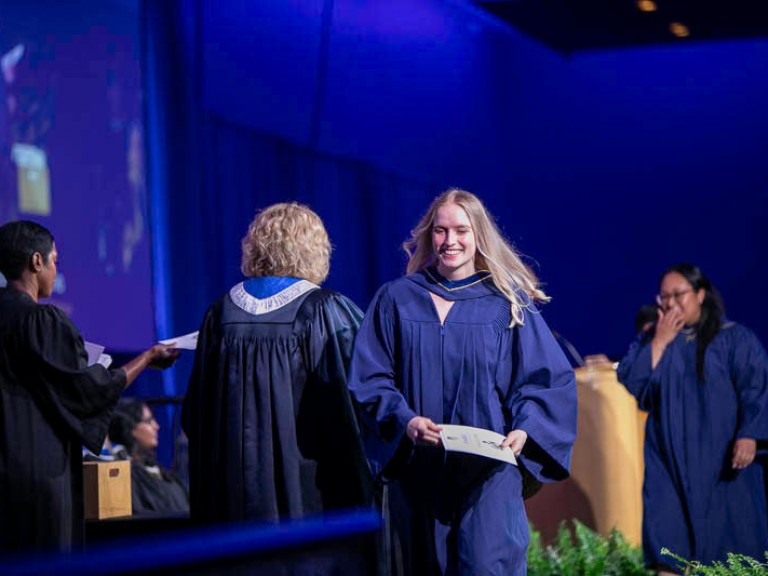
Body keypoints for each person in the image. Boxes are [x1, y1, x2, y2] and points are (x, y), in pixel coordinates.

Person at [348, 188, 578, 576]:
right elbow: (370, 379)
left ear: (478, 236)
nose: (449, 241)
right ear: (429, 234)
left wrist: (526, 428)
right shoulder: (396, 299)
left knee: (487, 565)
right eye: (440, 231)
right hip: (418, 471)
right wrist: (405, 419)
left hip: (489, 472)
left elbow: (544, 382)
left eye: (461, 230)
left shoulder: (506, 303)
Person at [182, 203, 372, 547]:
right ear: (315, 249)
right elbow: (354, 408)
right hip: (307, 498)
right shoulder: (324, 310)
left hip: (231, 502)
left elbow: (195, 416)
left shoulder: (220, 312)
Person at [0, 220, 179, 554]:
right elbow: (90, 390)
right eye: (55, 260)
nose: (56, 269)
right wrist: (149, 357)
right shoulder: (41, 320)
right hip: (37, 471)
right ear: (36, 262)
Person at [617, 263, 768, 574]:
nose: (670, 303)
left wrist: (749, 434)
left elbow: (756, 388)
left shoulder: (734, 339)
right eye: (664, 297)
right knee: (667, 548)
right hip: (668, 467)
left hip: (723, 464)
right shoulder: (656, 342)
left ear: (700, 294)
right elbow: (634, 381)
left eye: (678, 294)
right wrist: (660, 341)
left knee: (732, 549)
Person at [108, 399, 189, 516]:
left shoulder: (160, 473)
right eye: (148, 421)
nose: (157, 426)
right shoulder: (127, 479)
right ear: (131, 428)